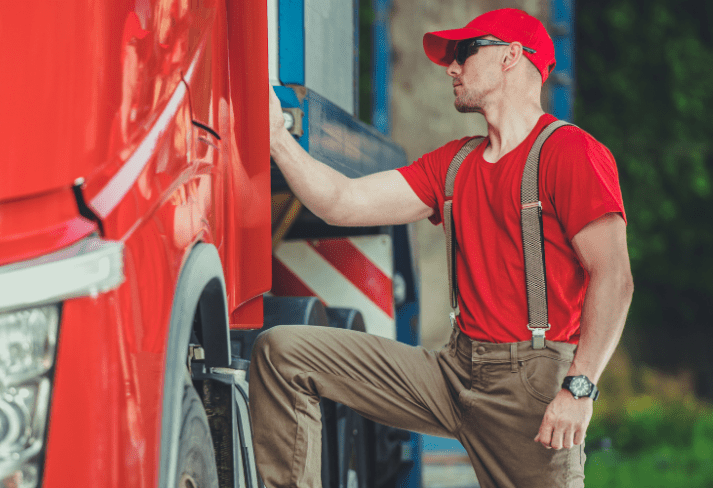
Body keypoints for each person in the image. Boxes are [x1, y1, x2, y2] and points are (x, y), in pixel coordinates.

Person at [249, 8, 633, 488]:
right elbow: (340, 203)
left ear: (513, 55)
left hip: (530, 390)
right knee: (282, 352)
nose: (451, 67)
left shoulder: (570, 152)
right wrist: (276, 139)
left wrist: (579, 389)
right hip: (453, 373)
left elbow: (614, 279)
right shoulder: (453, 164)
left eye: (465, 52)